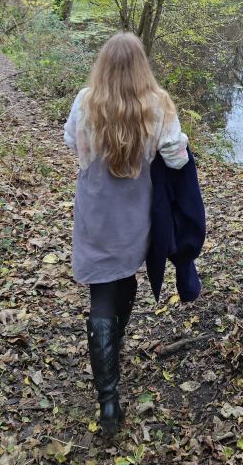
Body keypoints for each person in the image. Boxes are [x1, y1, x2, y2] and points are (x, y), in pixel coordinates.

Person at [63, 31, 189, 437]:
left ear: (103, 64)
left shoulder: (85, 101)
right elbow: (176, 156)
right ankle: (109, 376)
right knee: (124, 278)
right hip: (137, 211)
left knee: (104, 289)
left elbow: (70, 141)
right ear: (140, 66)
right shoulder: (158, 104)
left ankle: (108, 395)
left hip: (96, 210)